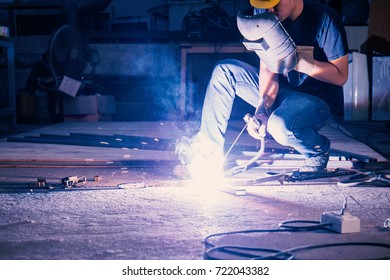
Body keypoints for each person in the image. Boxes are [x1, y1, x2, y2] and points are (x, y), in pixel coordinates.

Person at [180, 0, 349, 179]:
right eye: (266, 4)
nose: (270, 10)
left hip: (316, 101)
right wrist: (262, 110)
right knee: (225, 71)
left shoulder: (325, 19)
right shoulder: (267, 15)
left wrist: (295, 60)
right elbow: (268, 70)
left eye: (275, 3)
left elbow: (340, 76)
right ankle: (208, 159)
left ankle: (317, 152)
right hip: (283, 95)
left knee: (279, 125)